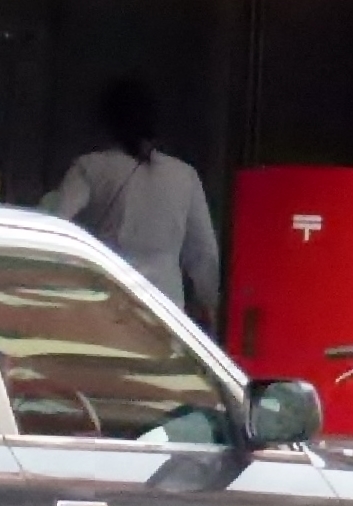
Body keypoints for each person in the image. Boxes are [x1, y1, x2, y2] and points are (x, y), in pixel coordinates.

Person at [43, 76, 220, 323]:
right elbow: (204, 252)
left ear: (106, 121)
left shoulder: (90, 168)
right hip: (165, 307)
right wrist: (208, 302)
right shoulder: (184, 176)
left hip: (103, 300)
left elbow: (55, 222)